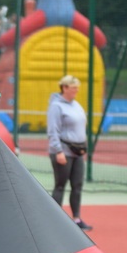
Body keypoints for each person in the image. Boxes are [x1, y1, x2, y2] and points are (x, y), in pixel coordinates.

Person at [47, 74, 92, 231]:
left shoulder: (76, 105)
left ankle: (76, 219)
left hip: (77, 152)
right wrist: (58, 151)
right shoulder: (56, 106)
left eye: (77, 88)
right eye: (73, 88)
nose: (76, 90)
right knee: (60, 185)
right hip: (63, 152)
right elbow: (53, 131)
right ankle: (54, 219)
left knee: (77, 185)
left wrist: (82, 146)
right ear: (64, 88)